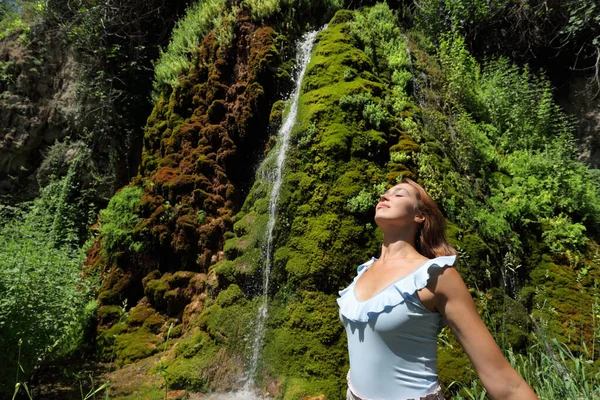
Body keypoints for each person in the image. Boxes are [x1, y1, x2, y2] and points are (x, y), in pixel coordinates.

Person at [336, 177, 538, 400]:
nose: (384, 196)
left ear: (419, 216)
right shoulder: (363, 272)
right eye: (385, 193)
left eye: (399, 194)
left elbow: (502, 380)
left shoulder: (435, 276)